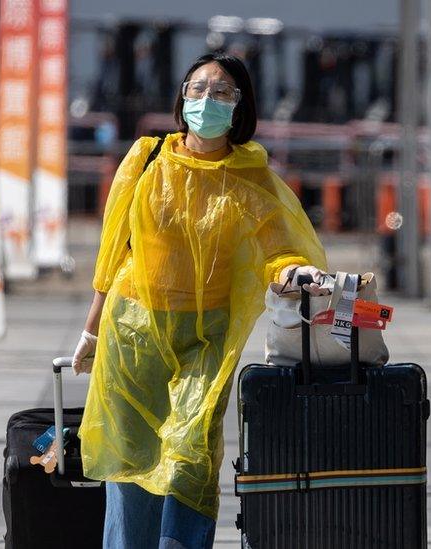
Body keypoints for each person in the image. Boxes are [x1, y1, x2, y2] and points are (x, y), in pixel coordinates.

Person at [73, 52, 327, 549]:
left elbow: (280, 247)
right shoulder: (146, 159)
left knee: (191, 459)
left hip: (205, 336)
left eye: (223, 92)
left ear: (241, 106)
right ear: (182, 97)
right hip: (134, 332)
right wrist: (92, 329)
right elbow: (113, 252)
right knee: (132, 461)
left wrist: (296, 270)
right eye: (198, 88)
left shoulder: (249, 174)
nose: (207, 100)